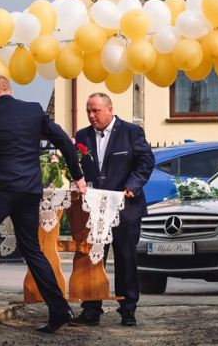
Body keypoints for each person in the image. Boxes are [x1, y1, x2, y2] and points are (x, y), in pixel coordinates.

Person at [0, 75, 87, 334]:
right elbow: (65, 141)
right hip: (30, 191)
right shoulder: (34, 110)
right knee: (32, 249)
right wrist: (78, 176)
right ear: (10, 90)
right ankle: (59, 308)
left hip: (3, 189)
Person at [70, 93, 154, 327]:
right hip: (94, 209)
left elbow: (146, 161)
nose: (91, 115)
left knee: (126, 260)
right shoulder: (82, 136)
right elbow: (78, 165)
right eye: (88, 111)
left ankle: (128, 310)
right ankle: (91, 310)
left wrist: (133, 186)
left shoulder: (131, 132)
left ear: (110, 110)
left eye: (95, 110)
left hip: (125, 208)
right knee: (93, 260)